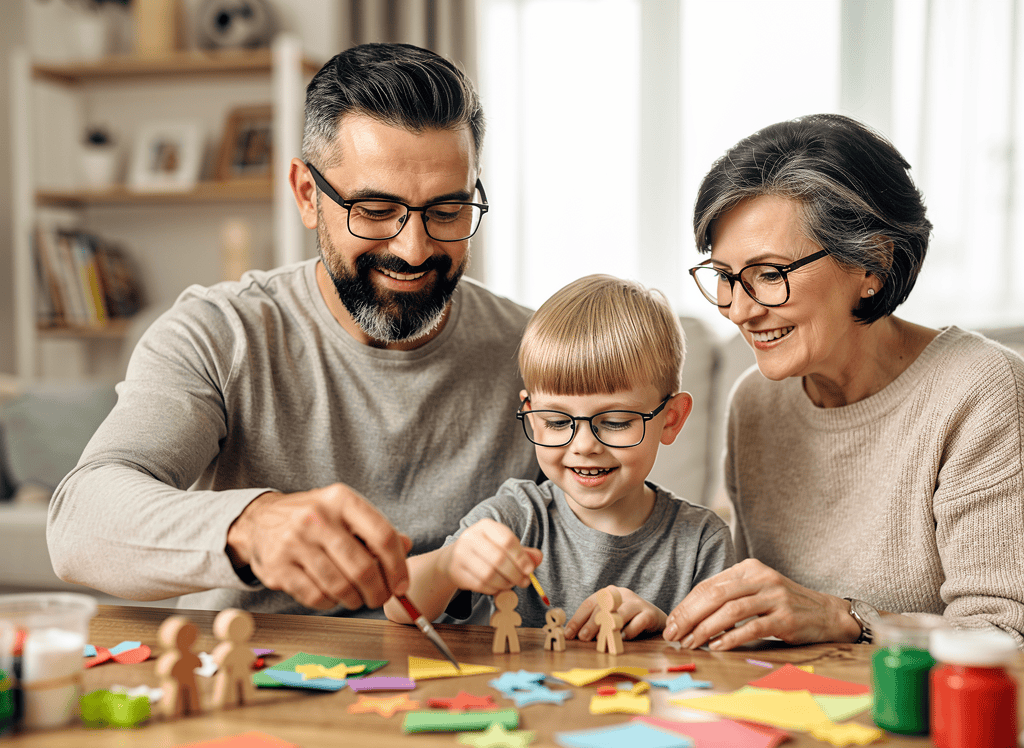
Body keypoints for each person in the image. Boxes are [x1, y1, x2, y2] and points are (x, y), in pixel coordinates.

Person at [46, 42, 540, 619]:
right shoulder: (219, 334)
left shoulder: (531, 349)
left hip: (465, 674)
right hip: (254, 668)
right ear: (308, 195)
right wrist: (249, 526)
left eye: (447, 210)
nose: (414, 249)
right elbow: (78, 523)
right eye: (374, 210)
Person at [663, 114, 1024, 650]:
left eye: (770, 274)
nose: (739, 310)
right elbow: (752, 611)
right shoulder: (755, 401)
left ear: (872, 263)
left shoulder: (982, 391)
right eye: (725, 277)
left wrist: (849, 618)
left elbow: (1005, 636)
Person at [385, 275, 735, 637]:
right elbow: (398, 606)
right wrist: (445, 566)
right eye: (556, 421)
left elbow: (727, 655)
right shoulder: (515, 516)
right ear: (531, 417)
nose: (584, 445)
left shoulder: (703, 542)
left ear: (671, 419)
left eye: (615, 422)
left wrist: (665, 627)